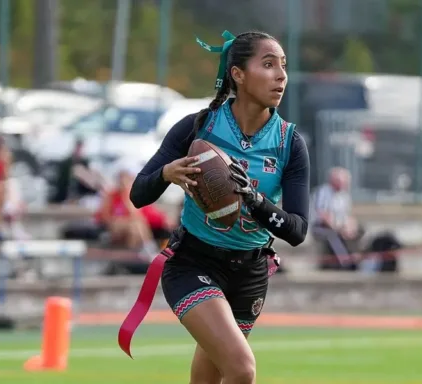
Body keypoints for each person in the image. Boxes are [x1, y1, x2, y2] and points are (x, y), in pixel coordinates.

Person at [129, 30, 310, 384]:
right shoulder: (199, 127)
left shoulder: (290, 142)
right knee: (242, 369)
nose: (281, 76)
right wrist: (167, 173)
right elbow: (138, 194)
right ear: (237, 74)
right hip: (194, 263)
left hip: (250, 275)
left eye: (283, 66)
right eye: (269, 64)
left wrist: (254, 202)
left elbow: (298, 230)